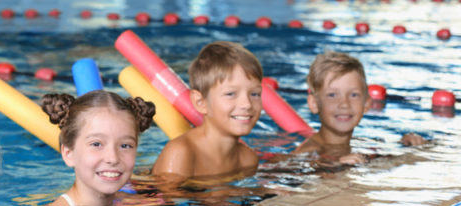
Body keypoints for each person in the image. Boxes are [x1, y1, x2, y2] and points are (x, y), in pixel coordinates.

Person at [34, 90, 155, 206]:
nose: (113, 158)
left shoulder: (129, 202)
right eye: (96, 144)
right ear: (69, 154)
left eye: (125, 145)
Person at [152, 41, 264, 181]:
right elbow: (164, 201)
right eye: (231, 94)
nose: (247, 104)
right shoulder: (180, 154)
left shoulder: (247, 159)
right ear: (201, 102)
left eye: (254, 94)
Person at [289, 51, 426, 164]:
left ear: (366, 104)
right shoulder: (308, 153)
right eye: (332, 95)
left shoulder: (360, 142)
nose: (344, 104)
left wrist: (405, 145)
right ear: (314, 104)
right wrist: (335, 169)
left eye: (354, 95)